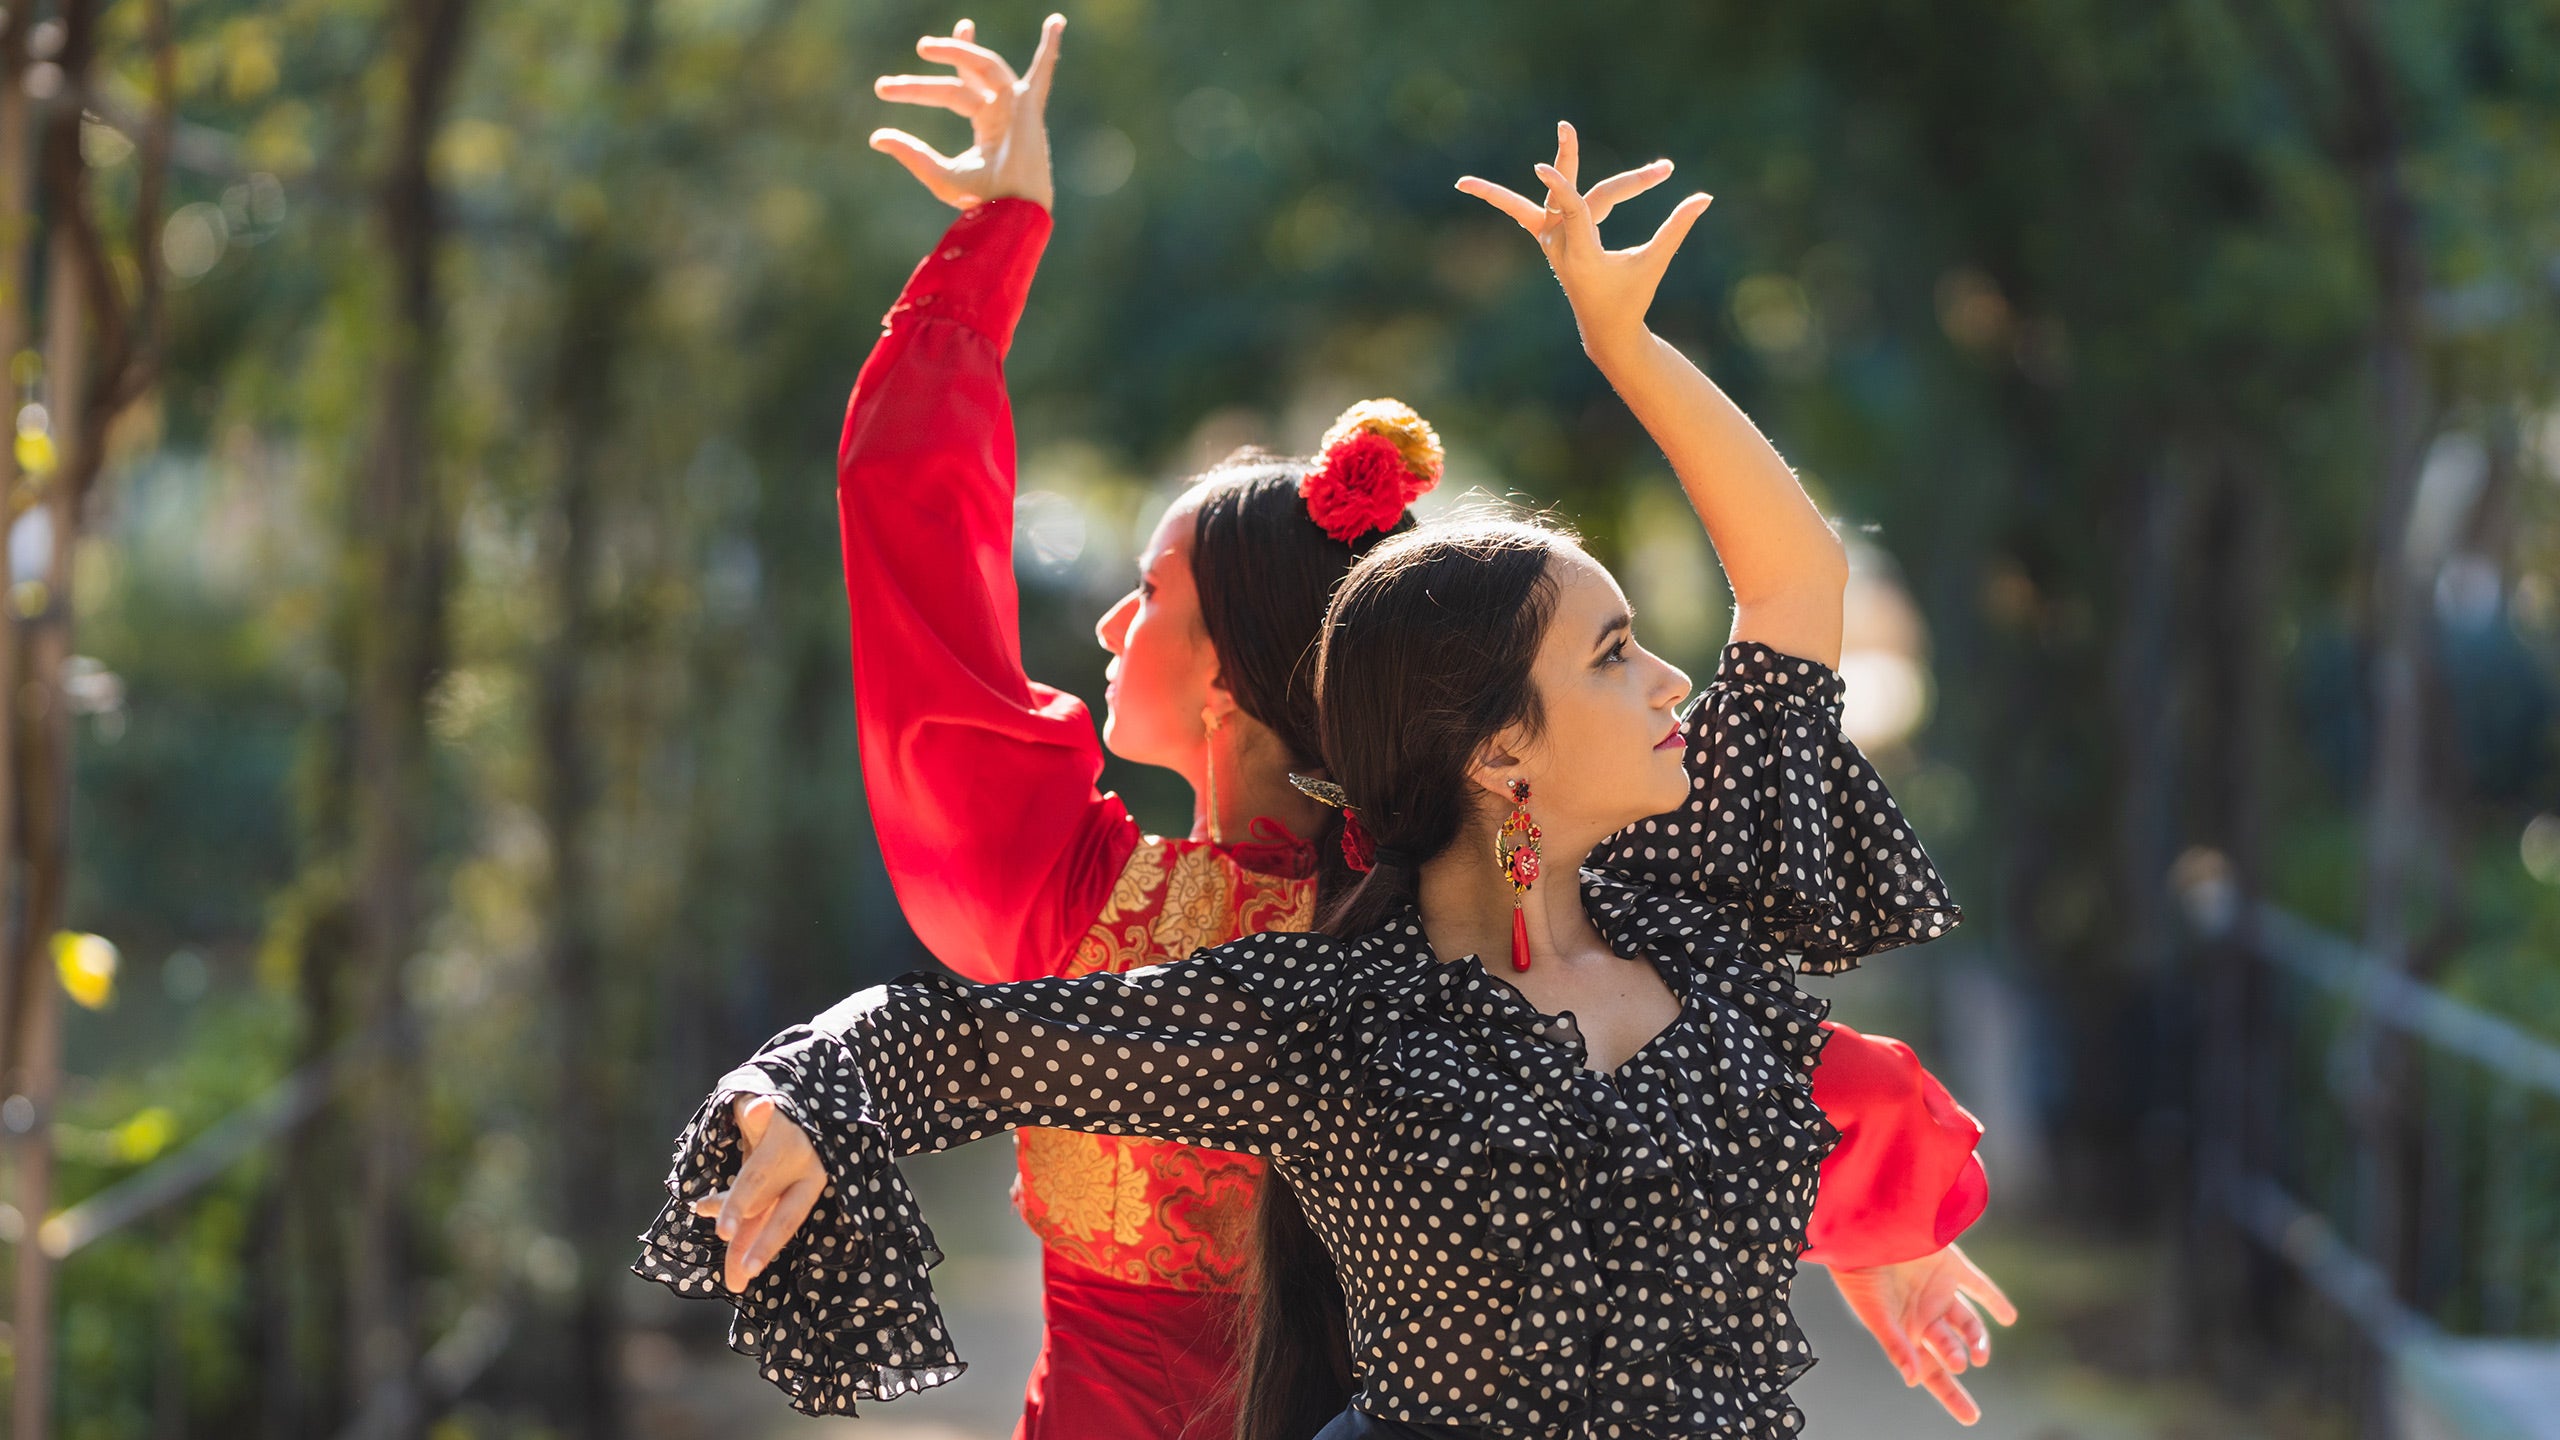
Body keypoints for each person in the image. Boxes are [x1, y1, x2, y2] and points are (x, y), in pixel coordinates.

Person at [638, 91, 2012, 1437]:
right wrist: (1876, 1215)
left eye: (1147, 593)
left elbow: (916, 563)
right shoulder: (1401, 952)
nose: (1112, 623)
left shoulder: (1287, 930)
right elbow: (945, 1041)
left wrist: (999, 237)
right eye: (1616, 653)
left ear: (1231, 665)